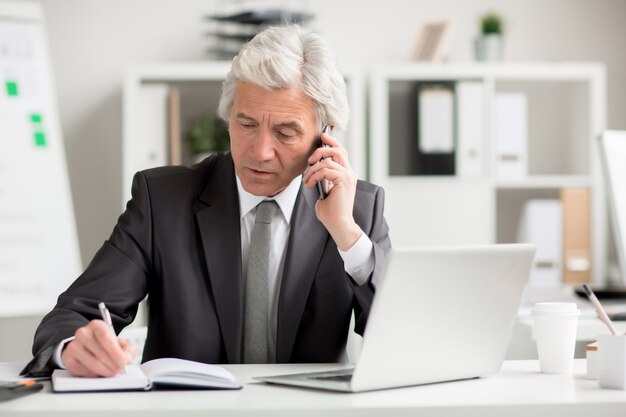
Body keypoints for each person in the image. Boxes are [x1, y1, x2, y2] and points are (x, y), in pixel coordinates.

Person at [22, 24, 390, 378]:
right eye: (246, 124)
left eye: (285, 132)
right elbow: (70, 317)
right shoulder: (162, 201)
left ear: (325, 137)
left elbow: (401, 336)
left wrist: (345, 234)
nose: (260, 151)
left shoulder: (357, 209)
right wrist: (74, 347)